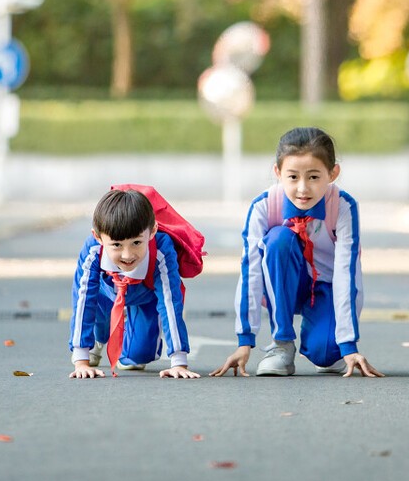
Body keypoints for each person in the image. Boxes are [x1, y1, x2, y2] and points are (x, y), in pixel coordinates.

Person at [211, 127, 383, 378]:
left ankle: (323, 342)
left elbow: (347, 274)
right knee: (279, 240)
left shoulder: (343, 206)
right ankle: (281, 345)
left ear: (333, 173)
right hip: (282, 284)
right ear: (278, 173)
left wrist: (347, 344)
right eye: (293, 177)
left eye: (314, 177)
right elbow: (250, 271)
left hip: (326, 287)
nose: (303, 188)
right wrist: (244, 340)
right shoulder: (264, 205)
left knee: (325, 355)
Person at [68, 189, 199, 379]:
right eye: (116, 245)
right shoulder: (93, 250)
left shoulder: (161, 249)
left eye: (137, 242)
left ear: (152, 231)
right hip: (105, 295)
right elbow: (83, 299)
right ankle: (98, 338)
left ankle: (130, 337)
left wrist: (179, 361)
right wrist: (81, 360)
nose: (127, 255)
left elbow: (170, 303)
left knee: (137, 358)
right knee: (97, 315)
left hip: (144, 296)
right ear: (98, 237)